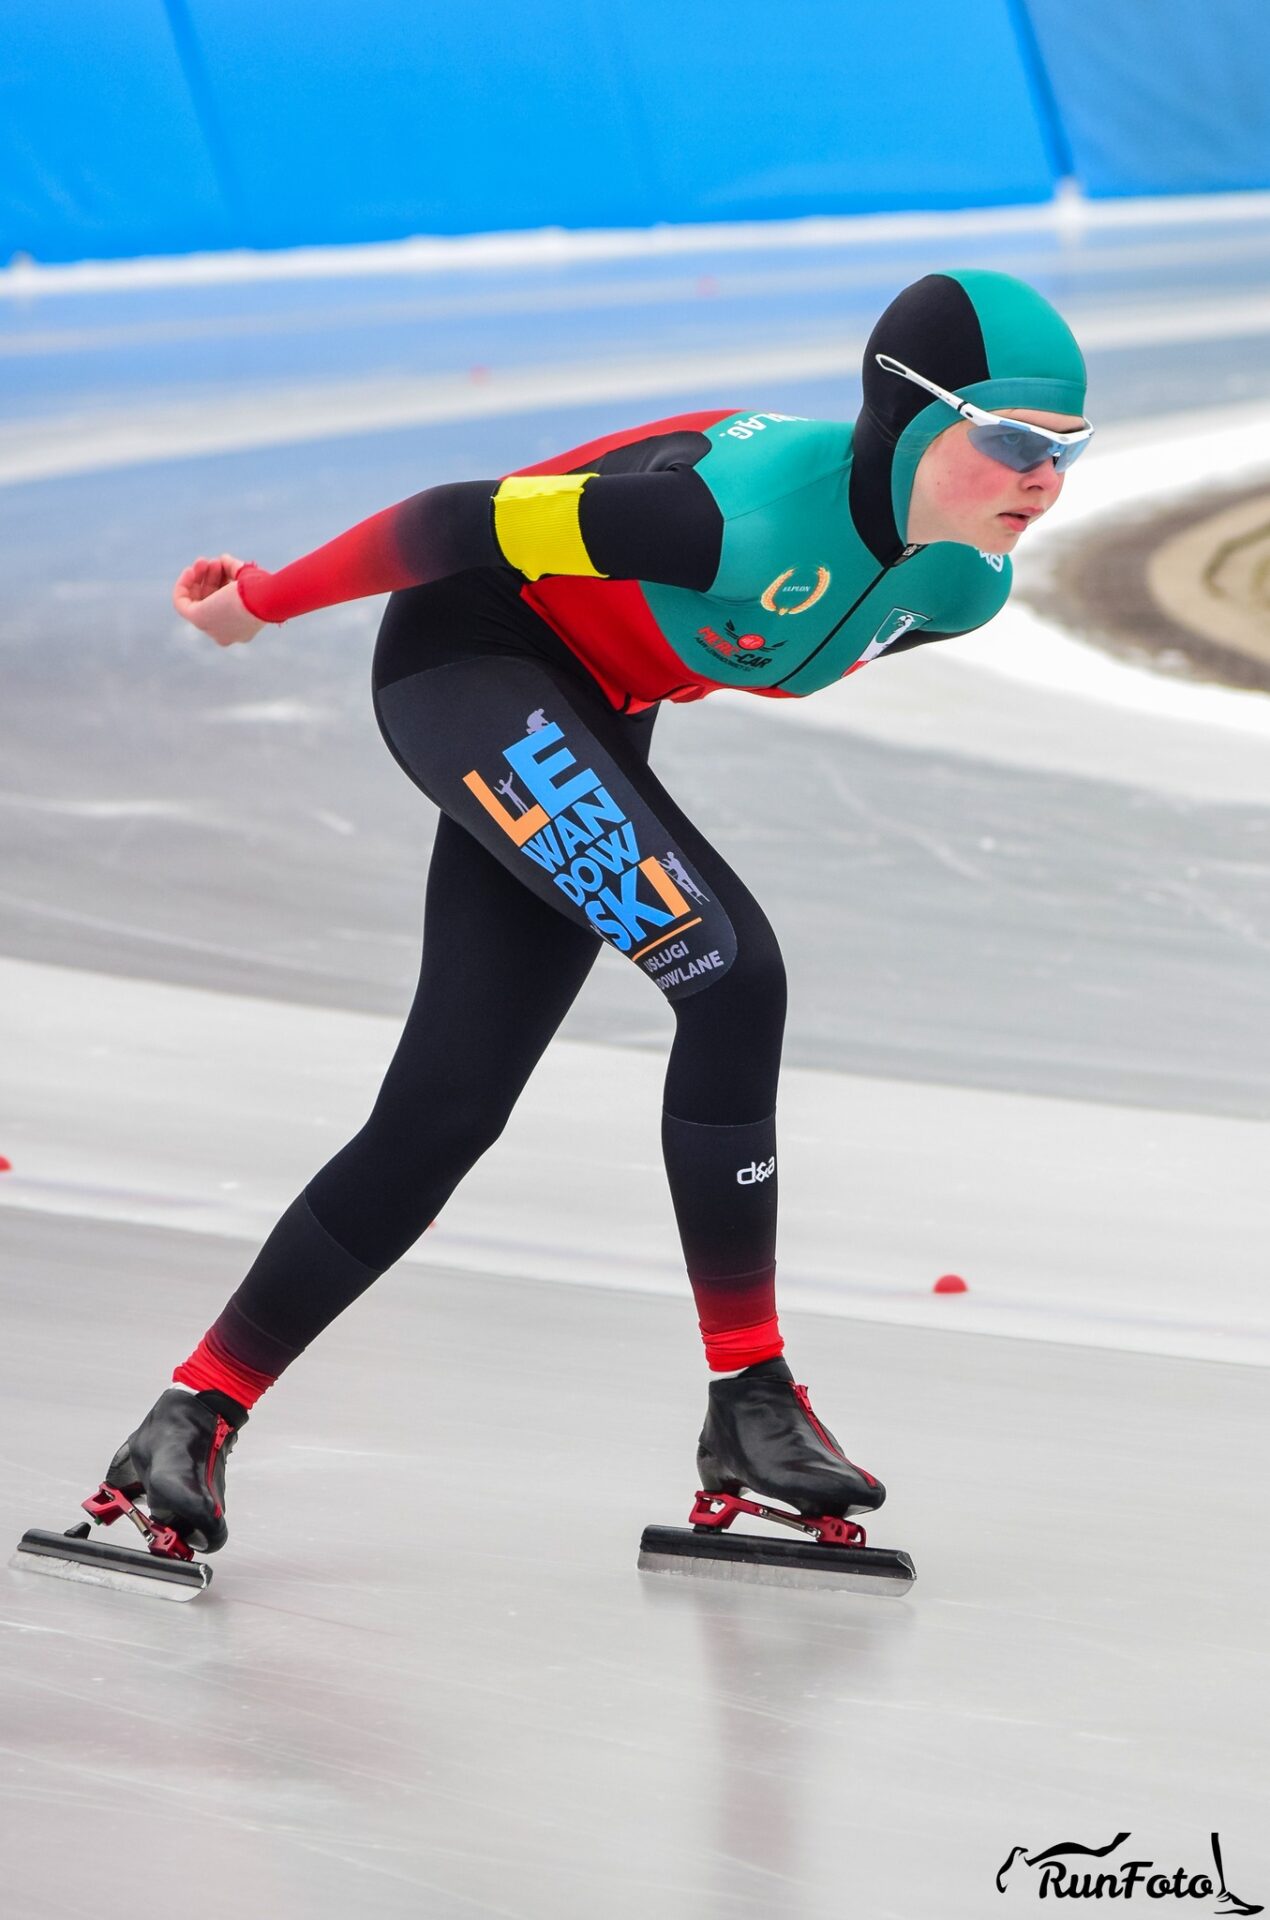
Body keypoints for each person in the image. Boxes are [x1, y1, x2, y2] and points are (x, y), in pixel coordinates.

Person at [101, 269, 1091, 1557]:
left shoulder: (958, 589)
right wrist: (259, 603)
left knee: (446, 1108)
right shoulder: (728, 516)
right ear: (908, 417)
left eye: (1068, 448)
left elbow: (751, 640)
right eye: (1012, 439)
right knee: (731, 975)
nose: (1044, 477)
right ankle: (752, 1397)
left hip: (588, 712)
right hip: (472, 658)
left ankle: (190, 1415)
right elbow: (455, 521)